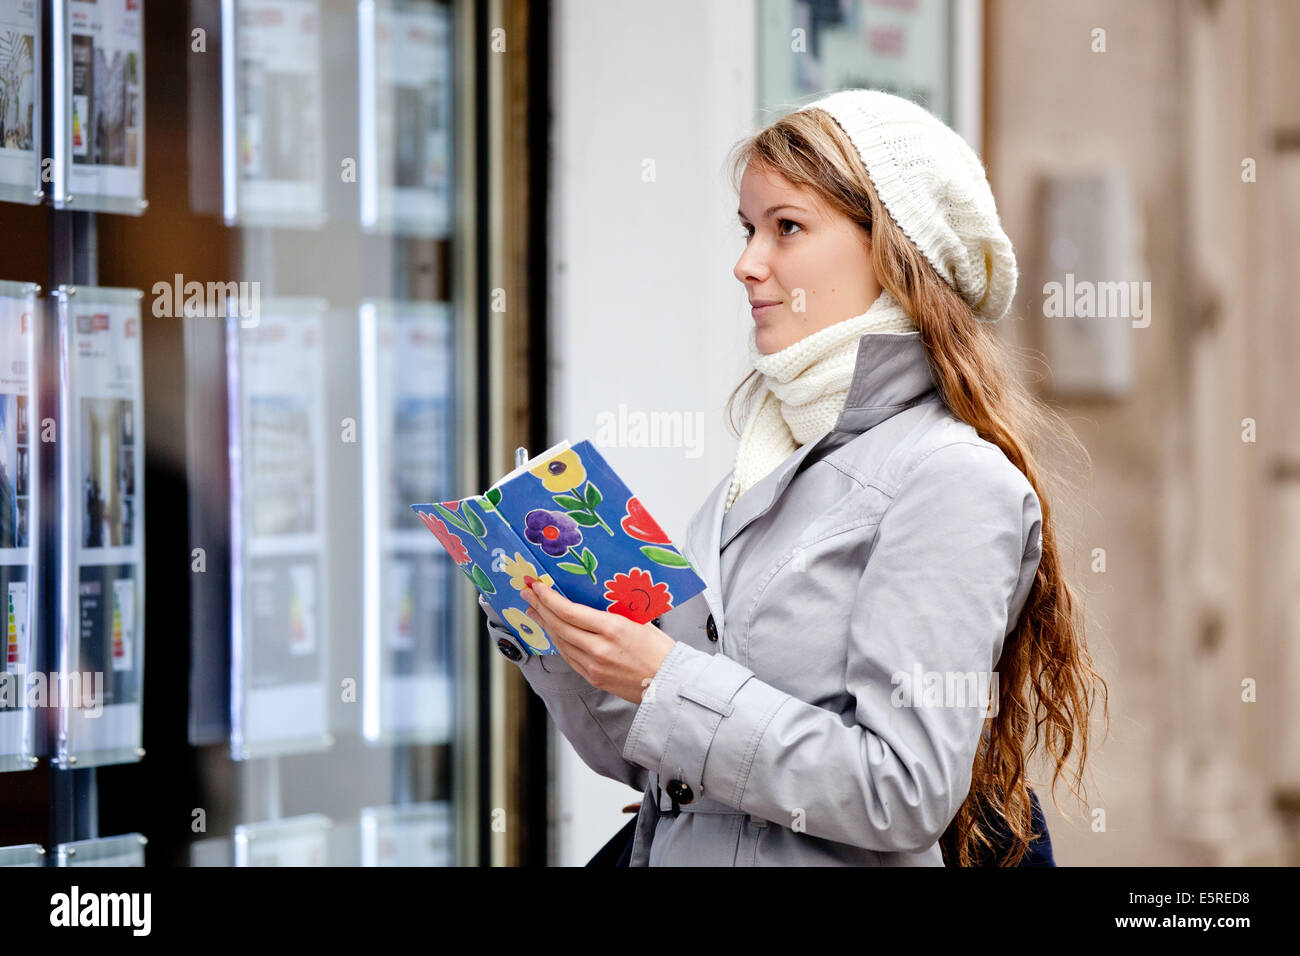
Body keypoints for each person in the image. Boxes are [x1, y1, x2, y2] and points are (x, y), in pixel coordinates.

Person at [479, 88, 1108, 866]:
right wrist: (558, 638)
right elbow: (649, 764)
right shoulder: (767, 463)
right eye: (749, 230)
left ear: (894, 249)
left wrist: (667, 679)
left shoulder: (950, 481)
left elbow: (901, 792)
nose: (747, 265)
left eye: (787, 228)